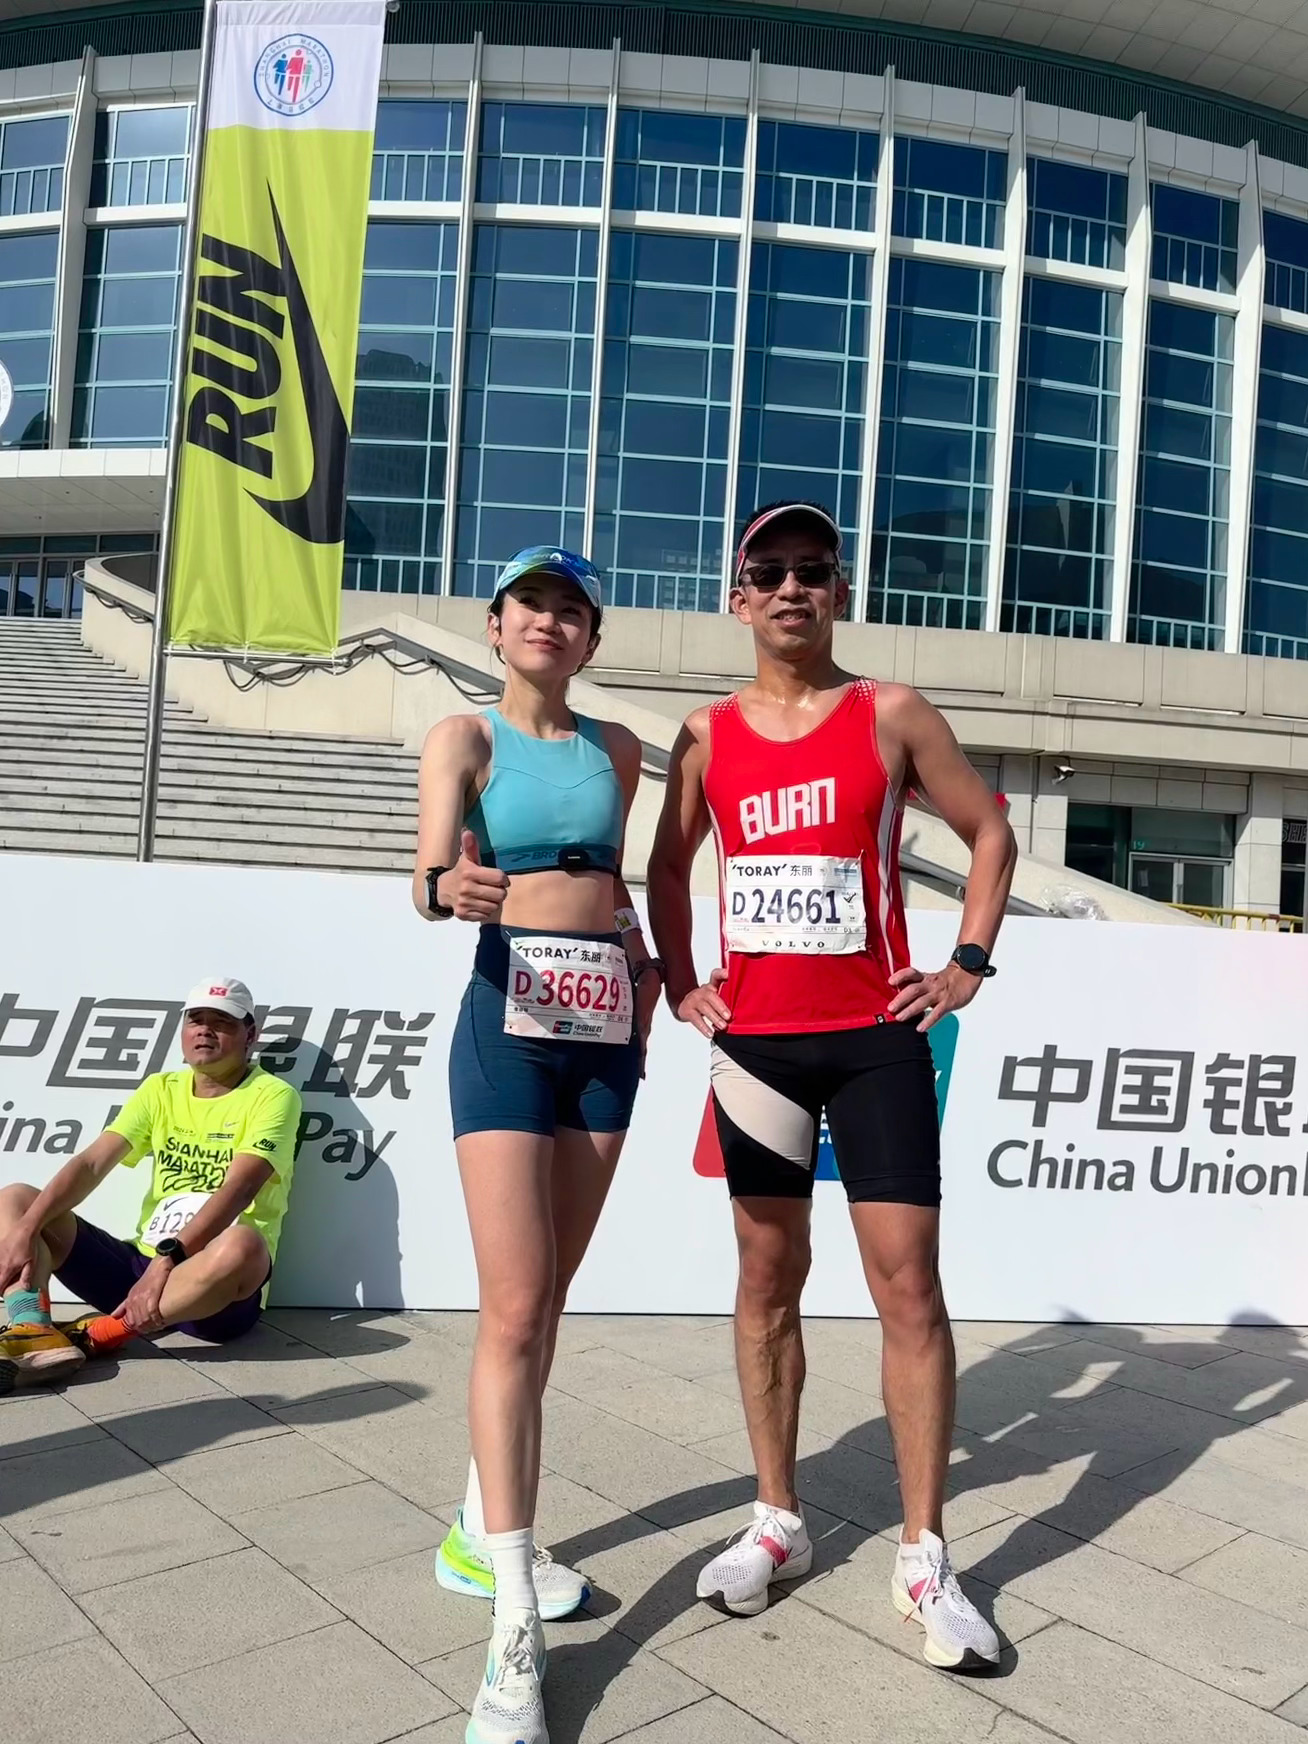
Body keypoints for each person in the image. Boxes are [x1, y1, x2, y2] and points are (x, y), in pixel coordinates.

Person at [646, 501, 1018, 1671]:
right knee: (767, 1277)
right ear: (738, 598)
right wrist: (681, 981)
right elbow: (667, 863)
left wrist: (965, 963)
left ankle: (924, 1554)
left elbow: (991, 830)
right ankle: (777, 1519)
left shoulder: (891, 712)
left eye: (813, 568)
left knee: (909, 1288)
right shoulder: (706, 734)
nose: (792, 586)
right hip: (757, 1048)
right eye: (769, 570)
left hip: (875, 1040)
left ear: (840, 591)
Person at [413, 545, 662, 1744]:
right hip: (504, 1025)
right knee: (512, 1308)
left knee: (548, 1296)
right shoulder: (464, 738)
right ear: (497, 623)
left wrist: (651, 965)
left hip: (604, 1033)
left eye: (571, 610)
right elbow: (428, 871)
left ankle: (479, 1525)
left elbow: (618, 882)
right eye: (531, 605)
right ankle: (514, 1618)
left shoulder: (620, 749)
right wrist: (445, 889)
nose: (550, 623)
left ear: (591, 638)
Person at [0, 977, 301, 1389]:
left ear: (250, 1035)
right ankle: (33, 1331)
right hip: (139, 1271)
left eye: (222, 1022)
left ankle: (100, 1335)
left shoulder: (273, 1095)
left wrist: (167, 1262)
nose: (205, 1031)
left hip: (214, 1293)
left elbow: (240, 1189)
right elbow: (92, 1163)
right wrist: (26, 1230)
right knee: (17, 1200)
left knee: (244, 1244)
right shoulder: (161, 1088)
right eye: (196, 1020)